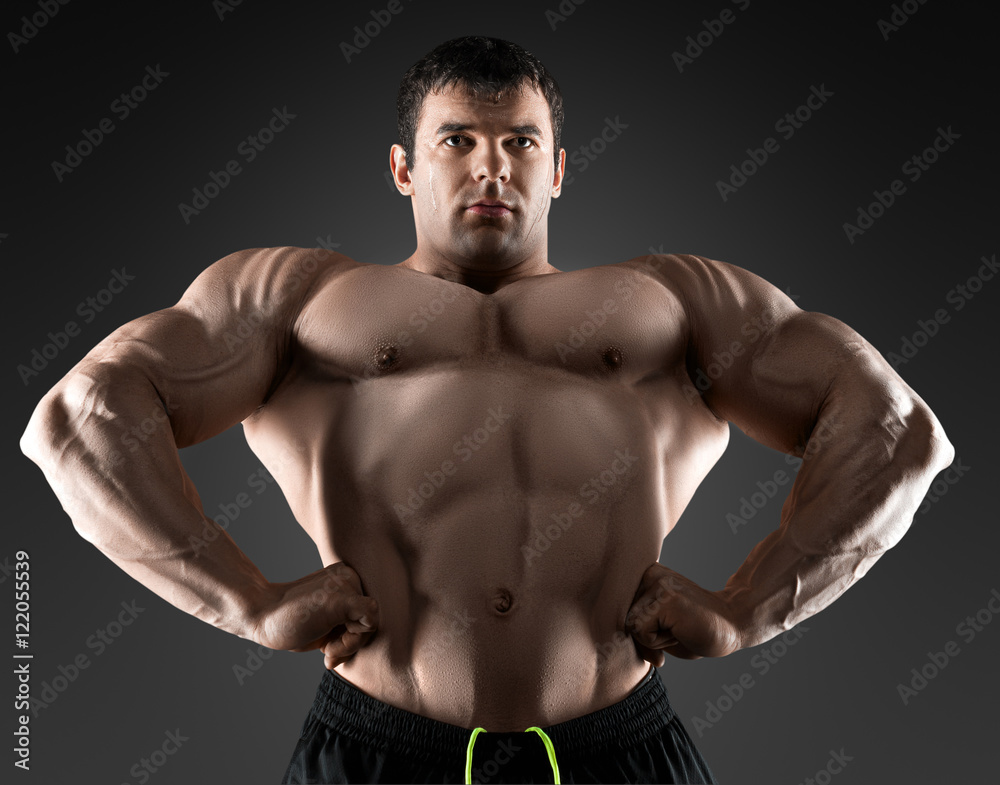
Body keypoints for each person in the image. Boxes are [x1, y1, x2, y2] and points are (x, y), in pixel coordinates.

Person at [21, 36, 954, 785]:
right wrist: (249, 602)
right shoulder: (298, 298)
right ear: (401, 168)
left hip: (617, 747)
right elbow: (82, 417)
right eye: (457, 139)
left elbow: (894, 428)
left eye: (521, 143)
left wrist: (748, 609)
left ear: (557, 171)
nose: (491, 168)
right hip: (377, 750)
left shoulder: (673, 301)